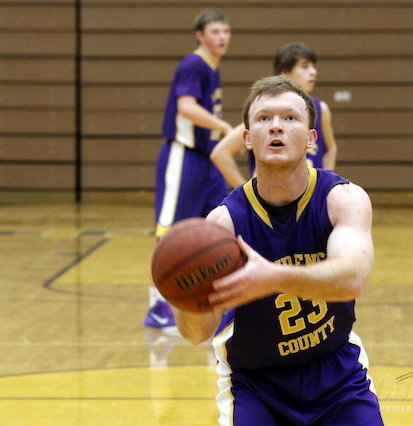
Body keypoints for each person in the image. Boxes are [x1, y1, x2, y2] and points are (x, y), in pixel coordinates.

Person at [175, 75, 383, 425]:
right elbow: (196, 333)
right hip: (256, 382)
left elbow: (352, 278)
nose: (276, 126)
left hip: (336, 372)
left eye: (290, 117)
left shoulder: (343, 199)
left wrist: (271, 277)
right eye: (263, 118)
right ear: (247, 139)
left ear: (311, 138)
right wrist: (184, 298)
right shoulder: (223, 224)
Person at [144, 9, 233, 330]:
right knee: (170, 233)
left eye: (226, 31)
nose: (222, 37)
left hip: (207, 161)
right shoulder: (193, 64)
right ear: (200, 35)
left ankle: (220, 302)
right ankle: (157, 307)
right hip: (185, 157)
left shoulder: (212, 67)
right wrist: (224, 127)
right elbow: (186, 106)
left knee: (222, 228)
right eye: (215, 31)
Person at [210, 42, 338, 188]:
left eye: (313, 66)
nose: (313, 72)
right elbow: (220, 153)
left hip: (308, 193)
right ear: (285, 72)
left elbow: (330, 148)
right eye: (305, 66)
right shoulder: (267, 109)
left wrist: (326, 183)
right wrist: (246, 192)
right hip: (272, 195)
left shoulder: (321, 109)